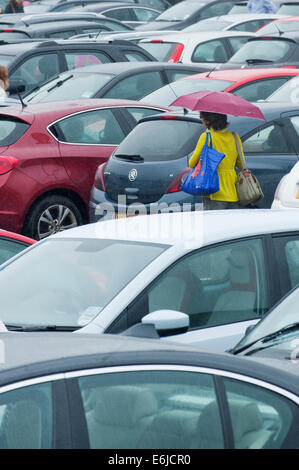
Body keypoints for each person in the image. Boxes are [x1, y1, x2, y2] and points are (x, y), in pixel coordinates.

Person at [188, 111, 245, 210]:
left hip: (213, 190)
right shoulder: (234, 137)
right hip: (233, 191)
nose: (202, 122)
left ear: (208, 121)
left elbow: (191, 163)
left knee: (214, 224)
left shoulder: (206, 137)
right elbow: (241, 165)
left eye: (203, 119)